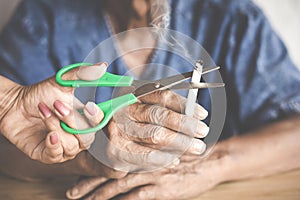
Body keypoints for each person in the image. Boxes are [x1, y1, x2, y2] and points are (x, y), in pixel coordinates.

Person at [0, 0, 299, 199]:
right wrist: (89, 160)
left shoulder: (232, 16)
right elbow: (9, 148)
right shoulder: (43, 18)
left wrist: (209, 166)